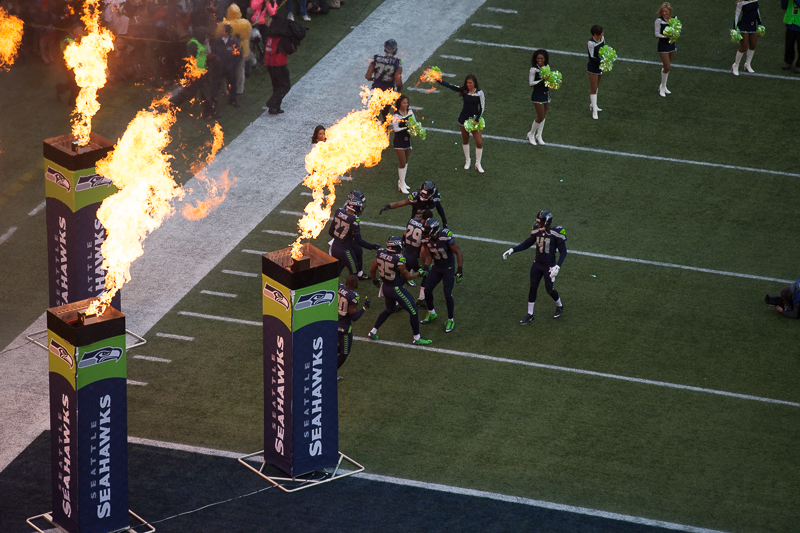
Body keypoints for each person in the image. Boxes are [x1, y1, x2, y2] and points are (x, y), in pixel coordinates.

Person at [502, 210, 567, 324]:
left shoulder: (556, 233)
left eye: (541, 222)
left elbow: (564, 252)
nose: (538, 224)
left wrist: (557, 266)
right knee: (533, 287)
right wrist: (513, 249)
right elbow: (528, 242)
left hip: (549, 266)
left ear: (547, 222)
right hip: (537, 264)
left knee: (549, 289)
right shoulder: (537, 229)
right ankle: (530, 314)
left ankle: (560, 306)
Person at [367, 235, 433, 345]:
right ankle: (416, 338)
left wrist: (374, 279)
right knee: (414, 310)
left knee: (389, 310)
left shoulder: (380, 253)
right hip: (395, 289)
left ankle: (372, 331)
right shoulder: (398, 259)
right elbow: (408, 276)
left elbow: (372, 269)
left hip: (386, 287)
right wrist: (419, 273)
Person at [419, 218, 463, 334]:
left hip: (448, 268)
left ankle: (450, 320)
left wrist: (459, 269)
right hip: (437, 267)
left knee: (447, 294)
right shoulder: (426, 239)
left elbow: (458, 251)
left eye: (427, 231)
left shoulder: (445, 236)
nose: (425, 234)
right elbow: (429, 255)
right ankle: (432, 313)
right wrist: (425, 267)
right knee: (427, 290)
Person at [436, 74, 486, 173]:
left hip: (475, 120)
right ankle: (467, 161)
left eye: (470, 83)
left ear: (474, 83)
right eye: (467, 83)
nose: (468, 84)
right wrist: (439, 80)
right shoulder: (464, 90)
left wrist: (477, 119)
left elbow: (482, 107)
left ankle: (478, 163)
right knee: (465, 139)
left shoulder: (479, 93)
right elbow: (451, 86)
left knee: (479, 142)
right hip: (463, 119)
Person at [168, 26, 219, 119]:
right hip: (195, 74)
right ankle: (173, 102)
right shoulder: (192, 44)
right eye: (205, 35)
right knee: (189, 92)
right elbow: (189, 59)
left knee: (206, 92)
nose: (207, 37)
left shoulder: (201, 43)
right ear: (200, 35)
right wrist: (192, 73)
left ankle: (209, 112)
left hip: (203, 72)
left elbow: (202, 56)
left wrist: (212, 57)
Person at [328, 197, 380, 276]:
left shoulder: (338, 211)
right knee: (354, 272)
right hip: (345, 250)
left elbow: (330, 231)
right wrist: (373, 246)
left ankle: (330, 287)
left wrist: (340, 239)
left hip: (334, 247)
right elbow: (359, 241)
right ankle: (347, 288)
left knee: (336, 272)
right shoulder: (354, 220)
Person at [379, 180, 448, 228]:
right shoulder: (415, 196)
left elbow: (439, 208)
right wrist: (387, 206)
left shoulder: (436, 198)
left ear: (432, 194)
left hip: (427, 223)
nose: (423, 196)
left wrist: (444, 221)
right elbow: (399, 204)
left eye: (425, 195)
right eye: (422, 193)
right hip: (415, 221)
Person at [215, 3, 251, 97]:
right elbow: (249, 36)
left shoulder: (224, 24)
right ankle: (239, 89)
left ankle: (226, 89)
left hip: (227, 52)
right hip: (242, 50)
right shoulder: (246, 23)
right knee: (240, 70)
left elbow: (217, 36)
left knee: (225, 71)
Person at [262, 15, 294, 115]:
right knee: (285, 86)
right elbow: (290, 50)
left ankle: (275, 107)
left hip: (269, 64)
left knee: (276, 86)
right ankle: (272, 103)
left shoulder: (269, 36)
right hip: (279, 64)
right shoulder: (282, 38)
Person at [338, 274, 370, 371]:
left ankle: (326, 358)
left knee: (339, 347)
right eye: (357, 281)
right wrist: (364, 307)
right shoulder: (353, 296)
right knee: (345, 352)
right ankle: (331, 373)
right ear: (353, 283)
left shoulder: (339, 287)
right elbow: (354, 317)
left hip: (334, 322)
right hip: (344, 327)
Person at [402, 208, 433, 306]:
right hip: (415, 256)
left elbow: (404, 235)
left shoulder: (411, 221)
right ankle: (421, 298)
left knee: (403, 276)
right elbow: (423, 251)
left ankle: (395, 301)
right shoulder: (425, 229)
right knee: (428, 274)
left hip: (406, 253)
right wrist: (424, 265)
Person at [213, 23, 242, 108]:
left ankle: (232, 100)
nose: (221, 31)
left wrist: (232, 65)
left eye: (223, 30)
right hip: (219, 67)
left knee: (232, 83)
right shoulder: (217, 42)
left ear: (227, 32)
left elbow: (238, 55)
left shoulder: (234, 42)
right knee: (216, 84)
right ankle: (213, 101)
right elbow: (214, 52)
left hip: (230, 68)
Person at [527, 49, 551, 146]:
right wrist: (541, 79)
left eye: (541, 58)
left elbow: (549, 80)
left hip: (546, 94)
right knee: (540, 117)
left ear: (545, 59)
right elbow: (531, 83)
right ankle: (531, 134)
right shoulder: (533, 69)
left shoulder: (547, 67)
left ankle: (539, 135)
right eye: (538, 58)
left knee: (543, 116)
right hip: (537, 94)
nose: (539, 60)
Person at [392, 94, 415, 194]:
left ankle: (402, 181)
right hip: (399, 140)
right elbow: (395, 129)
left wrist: (415, 130)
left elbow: (415, 123)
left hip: (407, 139)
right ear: (399, 104)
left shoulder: (410, 112)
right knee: (402, 162)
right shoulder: (396, 115)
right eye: (404, 102)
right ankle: (401, 184)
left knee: (406, 162)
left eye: (407, 102)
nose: (406, 104)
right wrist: (407, 128)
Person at [732, 0, 762, 75]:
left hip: (753, 26)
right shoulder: (741, 2)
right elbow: (737, 14)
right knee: (744, 46)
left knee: (753, 45)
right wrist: (734, 27)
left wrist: (760, 22)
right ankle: (735, 65)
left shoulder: (755, 0)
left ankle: (747, 64)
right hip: (744, 26)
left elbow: (757, 11)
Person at [655, 2, 677, 97]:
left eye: (666, 11)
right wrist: (666, 36)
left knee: (666, 66)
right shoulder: (658, 21)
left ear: (670, 11)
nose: (664, 13)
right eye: (663, 11)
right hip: (663, 45)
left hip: (671, 44)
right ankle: (663, 87)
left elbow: (677, 29)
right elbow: (656, 34)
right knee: (667, 66)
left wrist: (675, 34)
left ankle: (663, 86)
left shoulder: (674, 19)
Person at [587, 25, 605, 120]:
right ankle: (594, 110)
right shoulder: (591, 43)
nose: (603, 34)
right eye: (601, 33)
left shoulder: (602, 39)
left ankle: (593, 105)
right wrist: (602, 61)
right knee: (593, 88)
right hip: (593, 67)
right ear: (595, 34)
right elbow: (591, 57)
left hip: (601, 67)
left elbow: (604, 49)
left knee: (597, 86)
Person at [782, 0, 800, 73]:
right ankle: (788, 61)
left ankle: (799, 65)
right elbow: (783, 6)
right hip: (790, 24)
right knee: (789, 45)